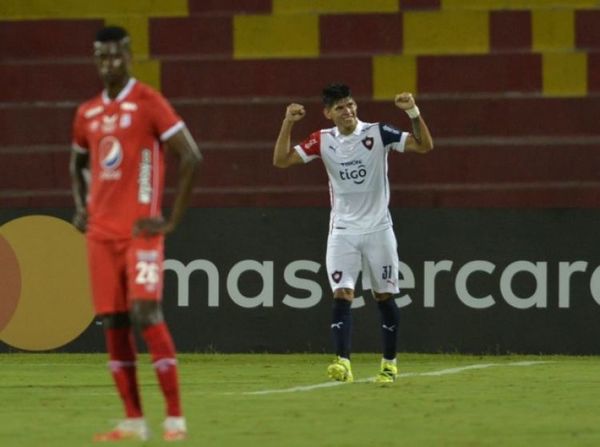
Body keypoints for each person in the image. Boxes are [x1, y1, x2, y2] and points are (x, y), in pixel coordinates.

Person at [70, 26, 201, 441]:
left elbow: (191, 157)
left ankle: (175, 418)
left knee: (147, 314)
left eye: (114, 56)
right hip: (100, 235)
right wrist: (81, 207)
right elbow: (77, 164)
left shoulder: (148, 102)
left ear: (128, 56)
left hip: (140, 233)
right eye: (100, 57)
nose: (107, 63)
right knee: (114, 321)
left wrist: (170, 220)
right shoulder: (87, 112)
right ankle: (133, 420)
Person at [273, 83, 433, 383]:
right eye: (340, 108)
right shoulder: (321, 140)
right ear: (328, 113)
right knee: (342, 293)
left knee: (383, 295)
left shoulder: (377, 132)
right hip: (343, 231)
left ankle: (389, 363)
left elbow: (423, 145)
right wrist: (288, 122)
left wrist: (412, 111)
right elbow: (281, 160)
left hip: (378, 229)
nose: (347, 111)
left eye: (350, 105)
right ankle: (343, 363)